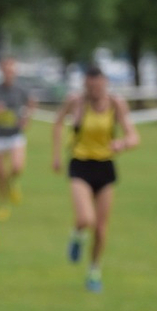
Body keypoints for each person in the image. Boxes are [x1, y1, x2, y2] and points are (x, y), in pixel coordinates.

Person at [51, 64, 140, 292]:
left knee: (101, 228)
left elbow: (133, 136)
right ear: (85, 85)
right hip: (80, 165)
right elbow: (58, 122)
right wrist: (57, 154)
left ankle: (94, 271)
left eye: (98, 86)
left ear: (105, 83)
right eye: (90, 86)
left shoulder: (116, 104)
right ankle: (77, 235)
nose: (95, 91)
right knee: (85, 219)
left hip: (105, 167)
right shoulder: (76, 102)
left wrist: (122, 143)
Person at [0, 56, 36, 221]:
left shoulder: (21, 90)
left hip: (15, 134)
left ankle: (13, 184)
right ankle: (2, 204)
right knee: (0, 174)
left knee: (17, 167)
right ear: (1, 72)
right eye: (6, 71)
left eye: (12, 71)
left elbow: (32, 103)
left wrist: (26, 118)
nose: (9, 74)